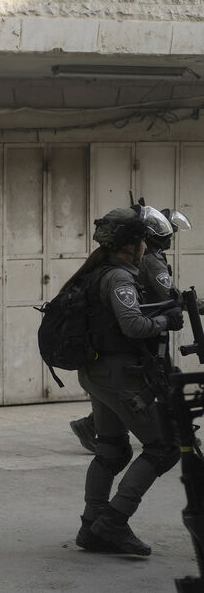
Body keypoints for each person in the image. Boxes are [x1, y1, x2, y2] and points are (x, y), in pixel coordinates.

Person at [69, 206, 182, 556]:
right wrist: (166, 321)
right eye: (143, 241)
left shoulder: (96, 271)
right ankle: (114, 522)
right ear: (132, 245)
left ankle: (91, 525)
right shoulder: (119, 277)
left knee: (111, 450)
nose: (146, 247)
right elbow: (132, 325)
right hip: (118, 375)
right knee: (164, 448)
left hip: (97, 373)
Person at [69, 207, 194, 454]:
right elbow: (162, 302)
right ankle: (175, 431)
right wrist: (171, 318)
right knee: (161, 441)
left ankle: (93, 426)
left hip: (110, 355)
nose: (171, 238)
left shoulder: (103, 268)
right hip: (136, 339)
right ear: (132, 245)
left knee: (112, 452)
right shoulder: (125, 273)